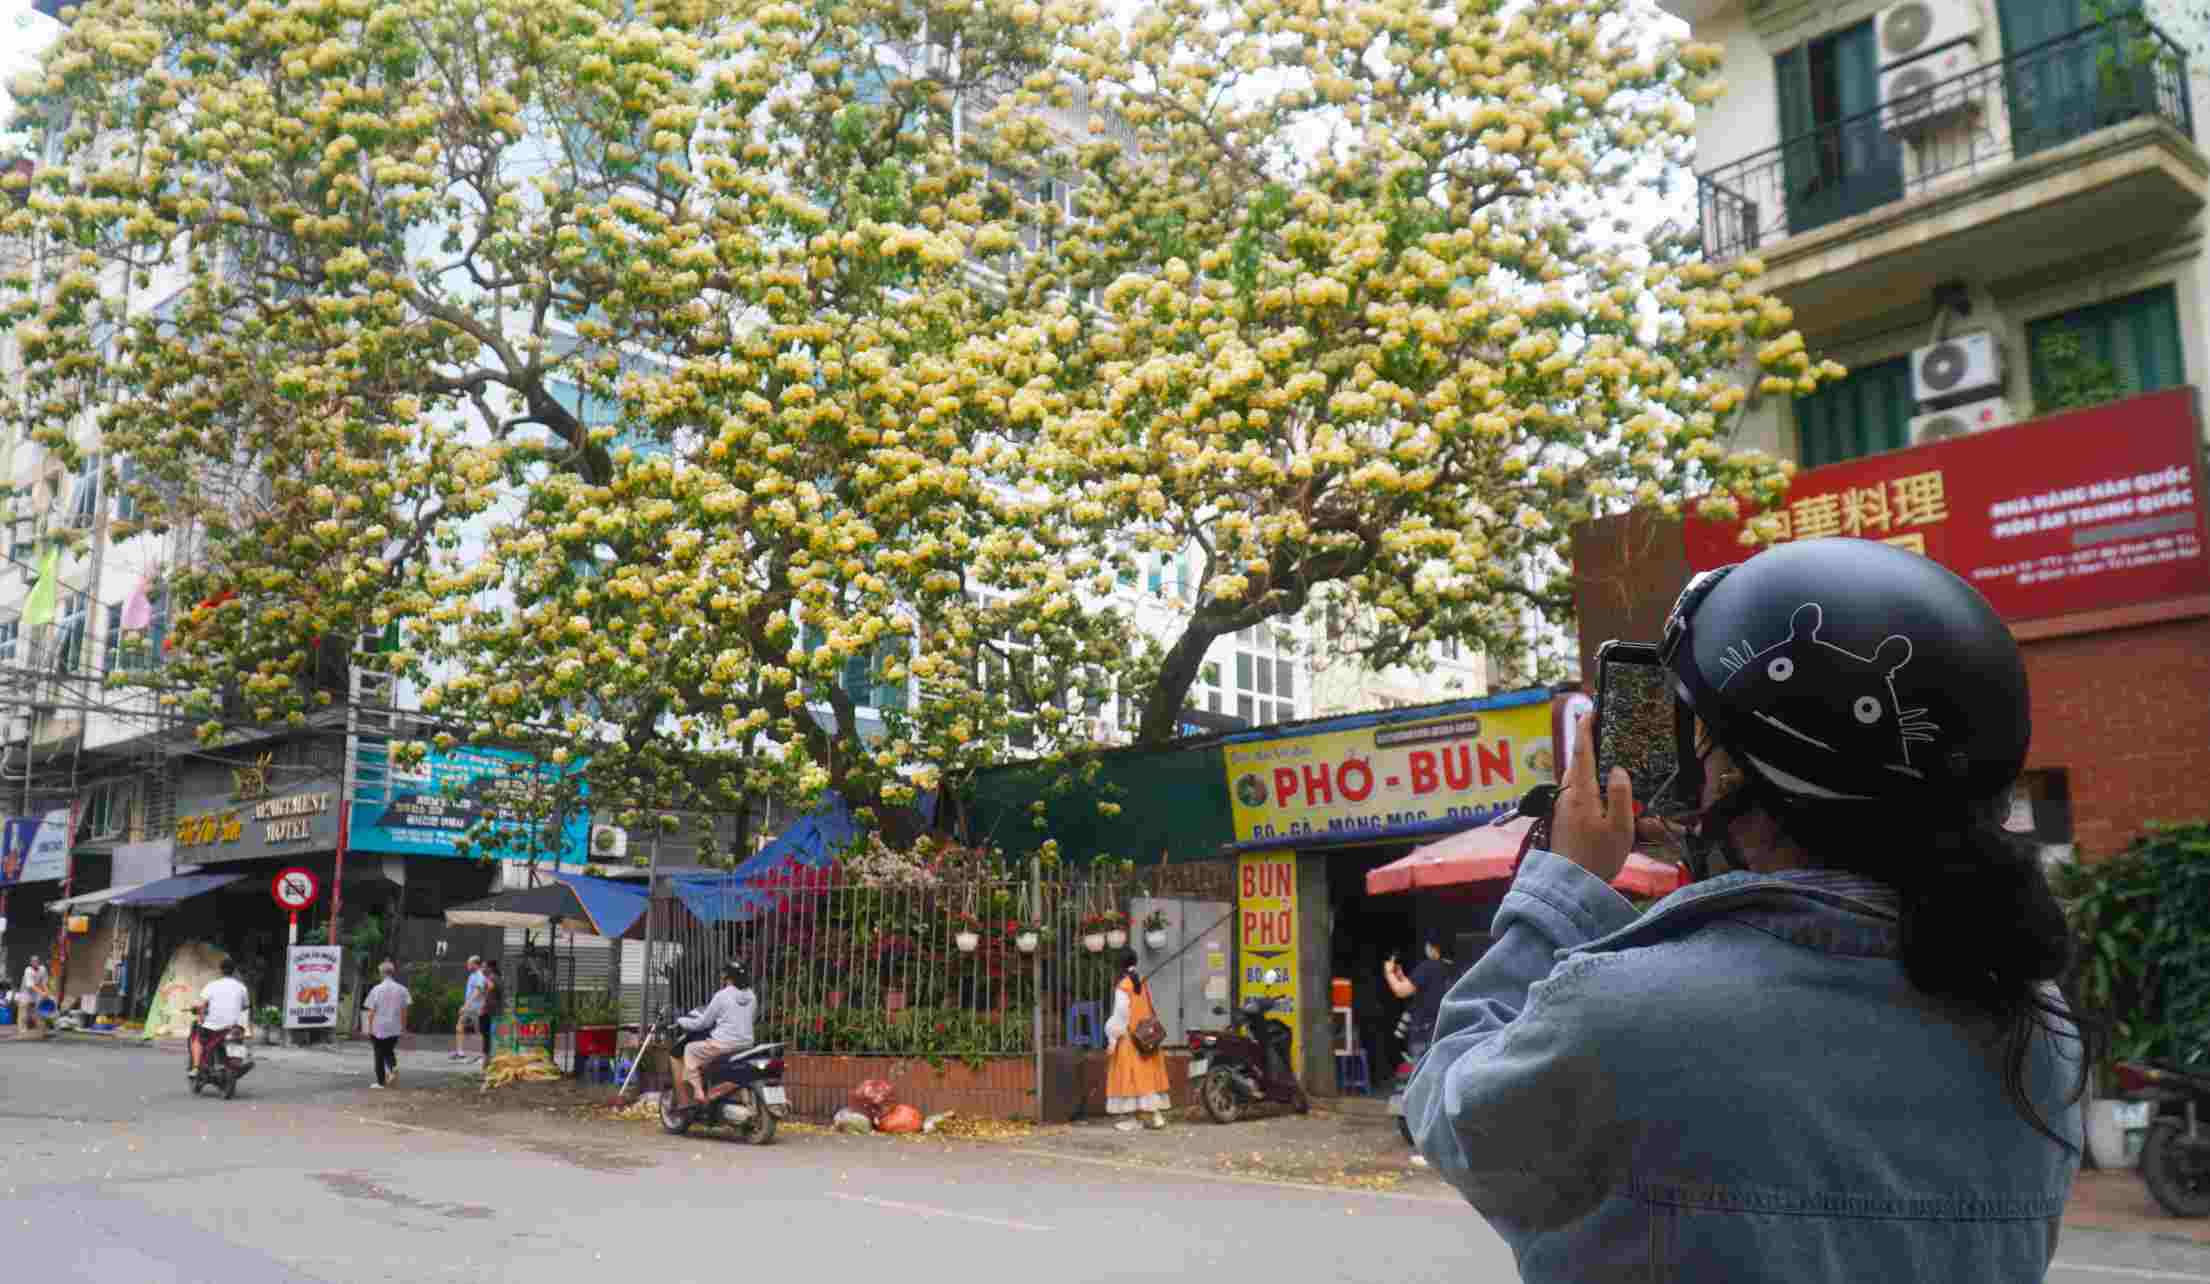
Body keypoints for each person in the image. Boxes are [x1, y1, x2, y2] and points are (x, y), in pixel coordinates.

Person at [1407, 539, 2085, 1282]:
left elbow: (1452, 1109)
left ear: (1742, 779)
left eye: (1705, 743)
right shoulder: (2038, 1029)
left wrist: (1566, 882)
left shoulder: (1629, 1015)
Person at [1103, 949, 1170, 1132]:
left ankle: (1134, 1120)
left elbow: (1120, 1015)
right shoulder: (1142, 982)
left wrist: (1112, 1040)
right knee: (1147, 1077)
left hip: (1130, 1039)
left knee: (1130, 1079)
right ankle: (1155, 1116)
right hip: (1147, 1038)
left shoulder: (1123, 986)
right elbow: (1150, 1008)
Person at [675, 961, 757, 1105]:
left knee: (690, 1050)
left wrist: (680, 1021)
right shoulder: (752, 996)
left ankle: (698, 1092)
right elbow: (751, 1018)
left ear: (728, 978)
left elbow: (703, 1023)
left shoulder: (722, 995)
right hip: (746, 1044)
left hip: (724, 1044)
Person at [190, 958, 252, 1077]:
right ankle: (237, 1063)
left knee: (197, 1037)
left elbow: (202, 1006)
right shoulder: (242, 987)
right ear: (234, 971)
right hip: (233, 1026)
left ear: (221, 970)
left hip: (212, 1027)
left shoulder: (212, 985)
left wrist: (200, 1018)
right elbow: (245, 1007)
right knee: (239, 1040)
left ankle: (196, 1067)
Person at [363, 960, 412, 1089]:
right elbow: (404, 1012)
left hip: (378, 1026)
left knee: (379, 1054)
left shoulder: (376, 990)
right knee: (389, 1050)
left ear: (381, 973)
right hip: (394, 1027)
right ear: (392, 972)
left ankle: (380, 1082)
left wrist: (368, 1027)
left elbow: (371, 1012)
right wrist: (404, 1028)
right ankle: (392, 1068)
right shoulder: (402, 990)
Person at [452, 955, 485, 1061]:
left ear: (475, 964)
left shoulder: (479, 975)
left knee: (478, 1030)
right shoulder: (472, 975)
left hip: (475, 1008)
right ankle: (460, 1052)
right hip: (470, 1007)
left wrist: (466, 1006)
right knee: (460, 1026)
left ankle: (481, 1054)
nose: (467, 965)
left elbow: (478, 991)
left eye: (469, 963)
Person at [16, 954, 51, 1040]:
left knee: (39, 1010)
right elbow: (30, 985)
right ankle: (22, 1031)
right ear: (31, 963)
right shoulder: (28, 970)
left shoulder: (42, 969)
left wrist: (46, 992)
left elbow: (44, 983)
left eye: (37, 961)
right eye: (33, 961)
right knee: (23, 1010)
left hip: (36, 992)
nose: (35, 963)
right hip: (26, 992)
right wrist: (42, 992)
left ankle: (41, 1030)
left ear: (39, 962)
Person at [476, 959, 501, 1066]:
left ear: (489, 968)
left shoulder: (490, 978)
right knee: (490, 1036)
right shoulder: (498, 977)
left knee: (486, 1036)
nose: (482, 968)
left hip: (488, 1011)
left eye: (483, 966)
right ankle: (489, 1059)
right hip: (494, 1011)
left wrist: (482, 1007)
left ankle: (486, 1061)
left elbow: (490, 988)